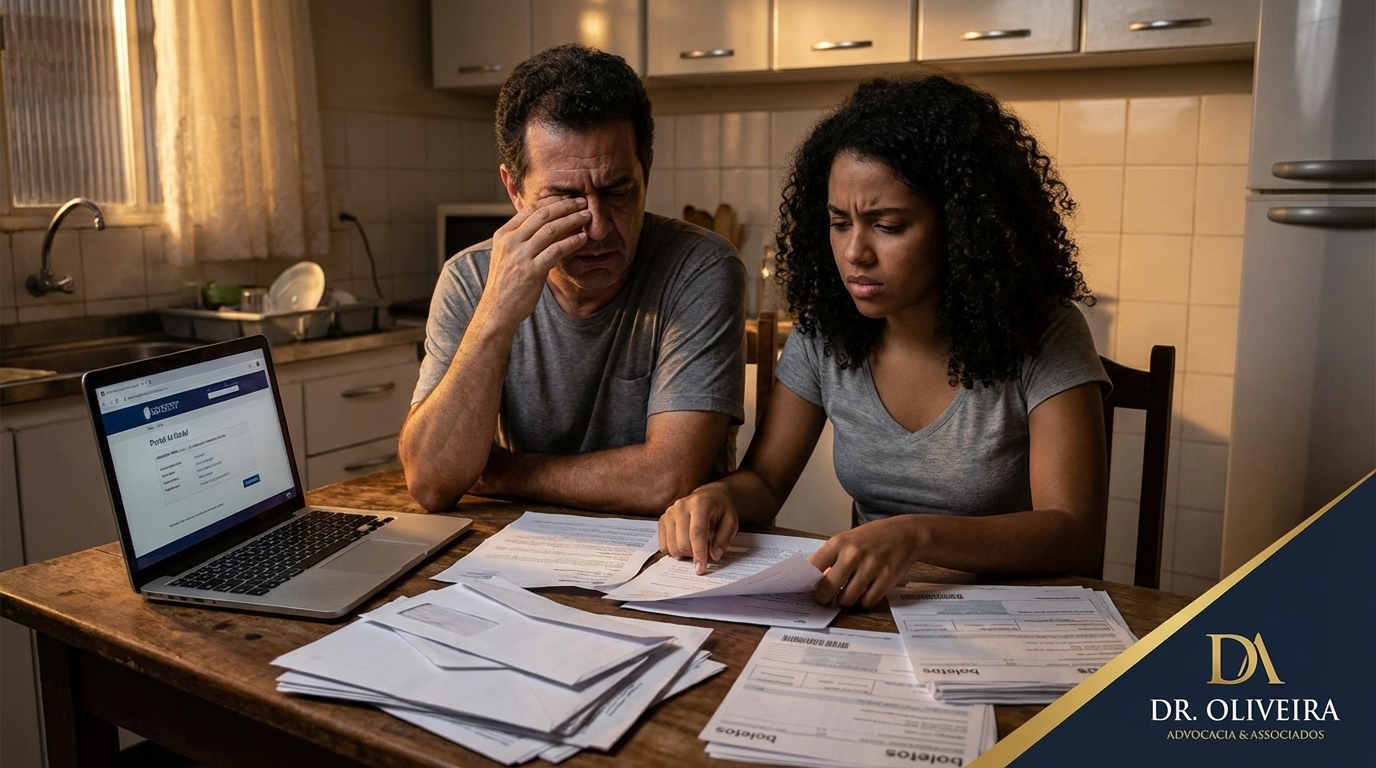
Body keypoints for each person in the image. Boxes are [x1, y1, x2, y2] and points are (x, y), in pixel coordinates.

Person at [658, 74, 1109, 608]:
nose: (855, 253)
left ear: (962, 228)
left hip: (1011, 615)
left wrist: (917, 534)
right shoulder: (825, 331)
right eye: (839, 223)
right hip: (879, 610)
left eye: (888, 225)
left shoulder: (1044, 332)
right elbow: (765, 480)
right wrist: (716, 495)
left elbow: (1072, 534)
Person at [401, 45, 745, 515]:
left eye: (618, 191)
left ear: (647, 171)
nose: (599, 227)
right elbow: (431, 481)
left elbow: (667, 480)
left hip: (670, 560)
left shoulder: (700, 267)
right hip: (514, 553)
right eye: (564, 199)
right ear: (515, 190)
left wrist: (500, 471)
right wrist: (495, 315)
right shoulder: (469, 278)